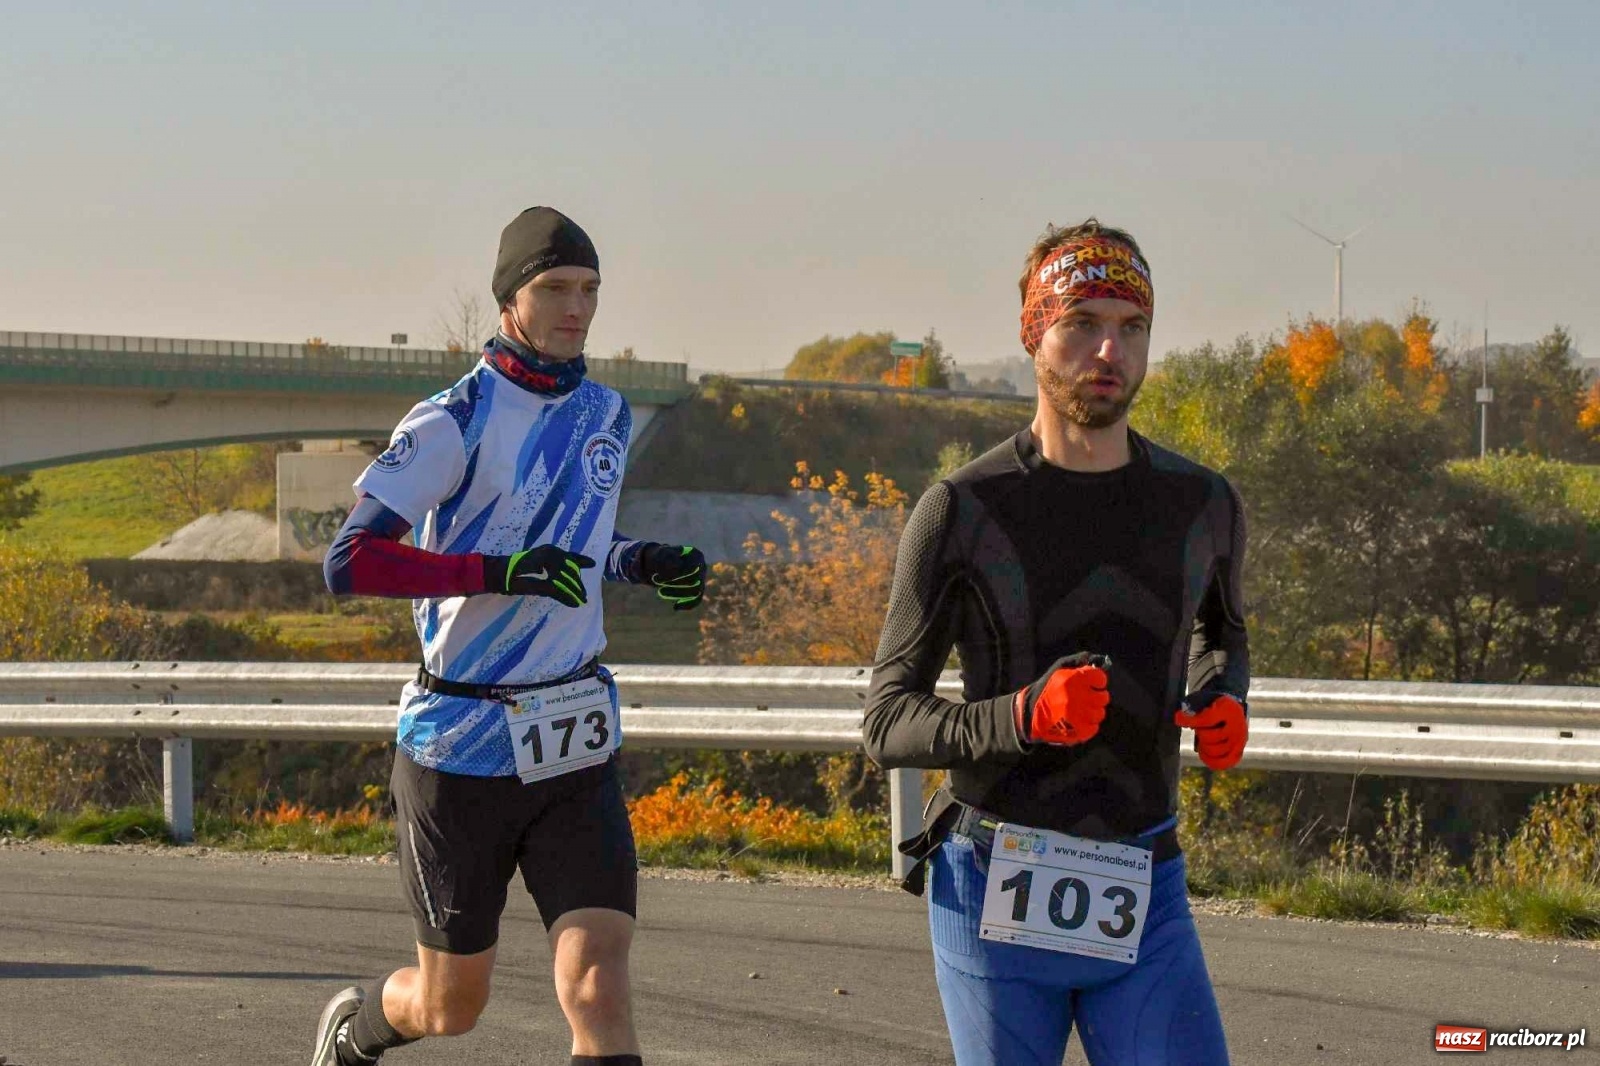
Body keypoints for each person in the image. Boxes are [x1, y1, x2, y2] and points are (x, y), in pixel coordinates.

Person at [308, 206, 706, 1066]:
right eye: (555, 288)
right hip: (462, 747)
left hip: (572, 738)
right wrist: (494, 573)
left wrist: (639, 560)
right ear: (510, 301)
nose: (578, 308)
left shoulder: (606, 410)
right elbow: (350, 561)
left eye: (591, 289)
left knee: (599, 981)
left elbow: (578, 546)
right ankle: (359, 1024)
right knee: (453, 1005)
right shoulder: (454, 418)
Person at [862, 218, 1248, 1065]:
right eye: (1082, 322)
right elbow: (887, 721)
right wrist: (1022, 716)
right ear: (1035, 333)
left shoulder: (1203, 504)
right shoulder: (961, 510)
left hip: (1147, 877)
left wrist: (1224, 700)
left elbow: (1223, 632)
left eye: (1132, 326)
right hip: (993, 877)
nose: (1109, 349)